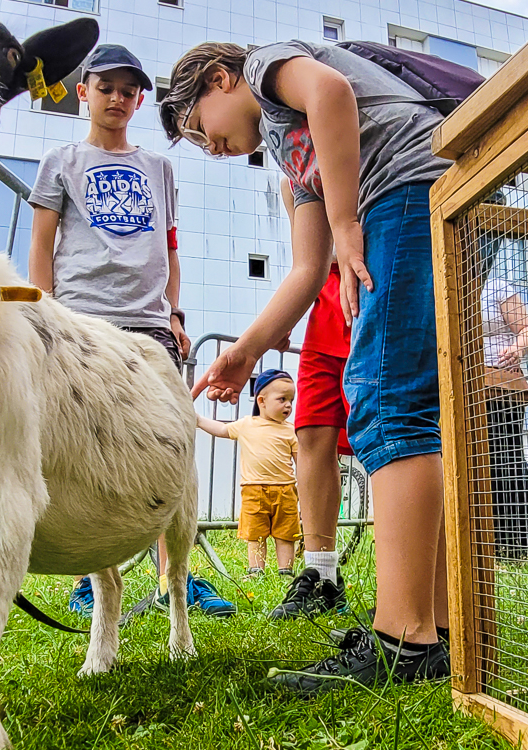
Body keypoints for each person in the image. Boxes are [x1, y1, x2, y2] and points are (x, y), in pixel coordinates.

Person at [159, 40, 451, 691]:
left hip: (404, 190)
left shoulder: (266, 69)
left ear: (218, 79)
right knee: (404, 405)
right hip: (397, 198)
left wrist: (348, 218)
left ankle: (403, 643)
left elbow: (331, 93)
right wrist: (244, 351)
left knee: (386, 401)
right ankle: (433, 630)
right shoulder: (294, 166)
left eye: (200, 131)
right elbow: (305, 269)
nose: (213, 148)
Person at [28, 44, 236, 622]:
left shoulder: (159, 168)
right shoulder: (60, 159)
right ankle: (89, 574)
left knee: (168, 447)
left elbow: (169, 248)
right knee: (80, 450)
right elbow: (42, 242)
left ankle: (179, 576)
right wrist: (44, 312)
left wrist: (175, 311)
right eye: (106, 86)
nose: (117, 98)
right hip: (80, 320)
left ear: (141, 99)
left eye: (129, 89)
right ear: (83, 91)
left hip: (148, 324)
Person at [268, 177, 351, 620]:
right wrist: (290, 308)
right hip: (325, 304)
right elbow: (314, 254)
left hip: (377, 288)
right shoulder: (293, 174)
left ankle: (413, 578)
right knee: (313, 433)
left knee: (394, 434)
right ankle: (322, 574)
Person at [480, 237, 528, 561]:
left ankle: (524, 544)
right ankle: (488, 544)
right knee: (477, 463)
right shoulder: (448, 286)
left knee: (504, 457)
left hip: (502, 386)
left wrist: (518, 348)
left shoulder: (496, 287)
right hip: (467, 388)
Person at [197, 369, 300, 577]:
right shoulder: (246, 424)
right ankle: (256, 571)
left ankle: (286, 571)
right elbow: (221, 430)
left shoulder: (291, 430)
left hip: (286, 490)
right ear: (261, 401)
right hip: (253, 490)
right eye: (282, 399)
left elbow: (301, 461)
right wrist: (197, 419)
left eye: (291, 400)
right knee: (256, 534)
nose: (288, 405)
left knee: (286, 534)